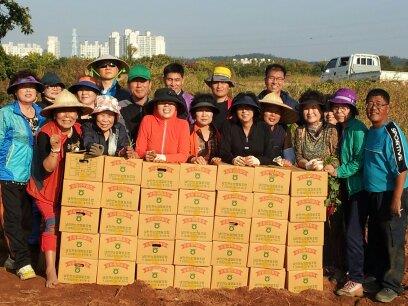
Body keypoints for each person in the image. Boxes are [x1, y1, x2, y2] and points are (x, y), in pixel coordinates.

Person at [26, 89, 92, 288]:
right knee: (51, 224)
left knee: (67, 226)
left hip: (69, 189)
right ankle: (50, 270)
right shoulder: (46, 133)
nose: (67, 116)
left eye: (71, 111)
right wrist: (55, 150)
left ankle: (49, 259)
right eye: (62, 111)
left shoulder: (81, 131)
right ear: (55, 114)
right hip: (45, 188)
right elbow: (47, 168)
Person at [362, 88, 408, 303]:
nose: (374, 108)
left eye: (379, 104)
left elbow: (402, 168)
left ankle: (392, 285)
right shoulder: (371, 131)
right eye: (370, 103)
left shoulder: (392, 132)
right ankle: (377, 277)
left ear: (387, 108)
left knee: (392, 238)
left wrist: (396, 198)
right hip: (374, 194)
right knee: (377, 237)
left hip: (392, 193)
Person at [322, 88, 368, 297]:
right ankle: (357, 271)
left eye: (344, 107)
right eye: (336, 107)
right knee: (352, 232)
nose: (339, 111)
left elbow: (358, 161)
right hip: (350, 189)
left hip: (358, 189)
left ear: (351, 108)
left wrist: (338, 171)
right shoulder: (346, 128)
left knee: (353, 234)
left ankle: (356, 279)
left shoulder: (358, 130)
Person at [0, 70, 46, 280]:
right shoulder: (5, 114)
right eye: (23, 87)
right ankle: (23, 262)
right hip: (9, 173)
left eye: (32, 87)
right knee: (13, 219)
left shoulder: (43, 114)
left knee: (29, 220)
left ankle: (14, 255)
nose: (28, 90)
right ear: (15, 91)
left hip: (33, 177)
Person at [220, 92, 276, 166]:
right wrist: (233, 159)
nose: (244, 111)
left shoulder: (264, 128)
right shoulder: (228, 126)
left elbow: (271, 155)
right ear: (235, 110)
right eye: (240, 108)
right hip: (234, 170)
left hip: (258, 172)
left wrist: (259, 160)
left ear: (254, 110)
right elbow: (223, 152)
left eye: (248, 107)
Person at [136, 88, 190, 163]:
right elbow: (139, 150)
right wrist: (146, 155)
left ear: (176, 107)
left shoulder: (183, 125)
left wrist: (162, 157)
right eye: (162, 102)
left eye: (171, 103)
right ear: (156, 106)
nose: (167, 105)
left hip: (174, 170)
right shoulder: (147, 120)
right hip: (148, 167)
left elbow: (183, 156)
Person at [294, 89, 338, 170]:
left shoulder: (331, 130)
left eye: (314, 107)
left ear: (321, 111)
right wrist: (307, 165)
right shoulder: (300, 131)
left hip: (326, 175)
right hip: (306, 175)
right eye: (306, 108)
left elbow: (336, 157)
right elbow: (298, 157)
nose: (309, 112)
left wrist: (325, 166)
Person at [258, 92, 298, 166]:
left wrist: (287, 162)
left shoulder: (284, 130)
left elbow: (289, 156)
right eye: (269, 111)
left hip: (276, 169)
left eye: (277, 112)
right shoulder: (254, 127)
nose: (273, 115)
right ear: (263, 112)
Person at [118, 64, 152, 139]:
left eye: (143, 81)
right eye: (135, 81)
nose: (139, 85)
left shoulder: (156, 107)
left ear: (150, 85)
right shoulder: (119, 108)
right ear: (128, 85)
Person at [188, 94, 221, 165]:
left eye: (208, 111)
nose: (204, 114)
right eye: (200, 110)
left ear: (213, 114)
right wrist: (192, 159)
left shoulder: (218, 133)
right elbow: (181, 153)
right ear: (194, 113)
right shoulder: (187, 131)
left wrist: (216, 159)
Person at [204, 66, 234, 130]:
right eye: (215, 82)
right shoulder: (204, 105)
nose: (219, 86)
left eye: (223, 82)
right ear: (211, 85)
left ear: (229, 86)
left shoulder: (234, 106)